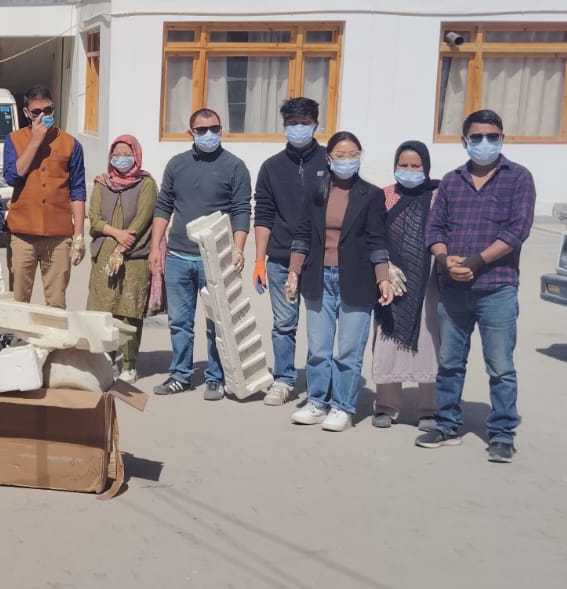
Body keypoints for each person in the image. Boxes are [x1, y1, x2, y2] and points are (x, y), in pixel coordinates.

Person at [417, 110, 535, 463]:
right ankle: (448, 423)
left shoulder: (518, 179)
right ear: (465, 141)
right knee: (450, 361)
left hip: (497, 288)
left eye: (493, 136)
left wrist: (477, 261)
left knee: (500, 365)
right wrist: (443, 258)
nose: (486, 143)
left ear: (501, 138)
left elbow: (517, 231)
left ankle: (501, 433)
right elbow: (434, 228)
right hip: (453, 289)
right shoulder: (452, 181)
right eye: (478, 137)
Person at [284, 132, 395, 432]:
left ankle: (343, 406)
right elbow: (303, 235)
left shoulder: (371, 195)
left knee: (348, 350)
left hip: (356, 281)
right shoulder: (315, 191)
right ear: (329, 159)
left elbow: (377, 241)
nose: (348, 161)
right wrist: (294, 271)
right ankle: (317, 401)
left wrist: (382, 279)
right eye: (341, 156)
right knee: (318, 349)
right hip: (319, 279)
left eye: (354, 154)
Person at [150, 108, 252, 400]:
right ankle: (180, 374)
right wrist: (156, 247)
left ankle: (215, 377)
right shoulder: (177, 164)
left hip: (215, 259)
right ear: (190, 133)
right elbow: (164, 206)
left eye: (215, 128)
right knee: (180, 322)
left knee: (216, 322)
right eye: (202, 130)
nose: (209, 135)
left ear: (222, 130)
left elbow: (242, 209)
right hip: (179, 257)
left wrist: (238, 249)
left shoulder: (235, 167)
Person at [251, 97, 329, 407]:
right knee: (284, 325)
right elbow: (264, 214)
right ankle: (283, 379)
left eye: (304, 123)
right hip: (282, 259)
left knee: (320, 327)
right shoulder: (271, 167)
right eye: (292, 124)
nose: (298, 128)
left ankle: (319, 383)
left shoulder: (329, 162)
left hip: (320, 259)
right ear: (284, 127)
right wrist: (259, 259)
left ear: (315, 124)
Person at [372, 141, 441, 429]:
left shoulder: (438, 196)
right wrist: (384, 269)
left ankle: (429, 409)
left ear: (426, 168)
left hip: (429, 284)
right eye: (404, 165)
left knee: (429, 341)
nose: (409, 171)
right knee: (387, 341)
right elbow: (373, 235)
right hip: (390, 283)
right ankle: (386, 406)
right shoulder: (385, 196)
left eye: (416, 166)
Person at [3, 85, 87, 309]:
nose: (43, 117)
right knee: (18, 298)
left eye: (47, 111)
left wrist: (79, 234)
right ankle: (18, 339)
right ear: (26, 114)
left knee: (56, 300)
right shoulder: (14, 140)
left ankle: (54, 344)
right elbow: (12, 176)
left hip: (58, 234)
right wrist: (34, 142)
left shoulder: (71, 144)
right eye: (36, 112)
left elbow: (77, 190)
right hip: (23, 233)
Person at [86, 135, 157, 384]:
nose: (121, 158)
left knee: (129, 311)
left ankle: (129, 364)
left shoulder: (146, 183)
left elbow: (144, 217)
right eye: (117, 153)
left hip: (135, 253)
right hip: (105, 252)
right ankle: (105, 359)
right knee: (103, 309)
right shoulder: (102, 183)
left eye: (127, 153)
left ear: (136, 155)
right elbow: (93, 217)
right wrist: (115, 233)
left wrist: (125, 243)